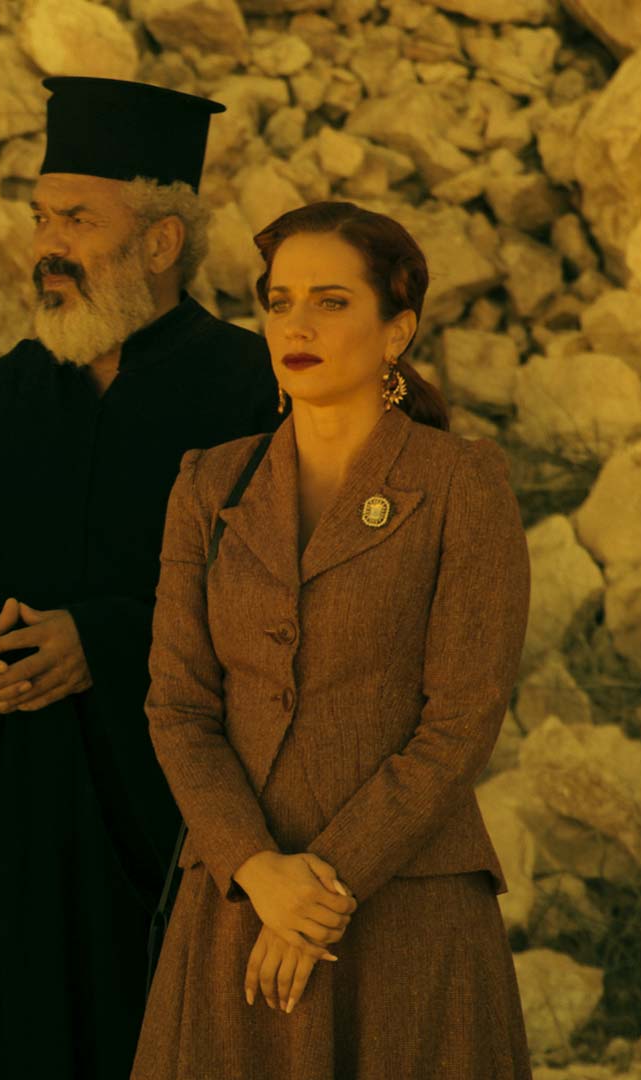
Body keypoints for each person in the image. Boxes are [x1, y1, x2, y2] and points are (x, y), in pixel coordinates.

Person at [0, 77, 282, 1079]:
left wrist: (105, 638)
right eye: (42, 219)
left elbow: (292, 602)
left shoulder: (252, 393)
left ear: (162, 243)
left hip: (179, 832)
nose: (48, 245)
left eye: (78, 220)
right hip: (4, 830)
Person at [131, 201, 531, 1079]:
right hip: (236, 905)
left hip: (406, 913)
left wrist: (322, 890)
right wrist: (258, 870)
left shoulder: (461, 482)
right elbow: (179, 708)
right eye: (279, 302)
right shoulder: (209, 484)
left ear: (398, 331)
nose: (297, 325)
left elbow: (460, 722)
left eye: (332, 301)